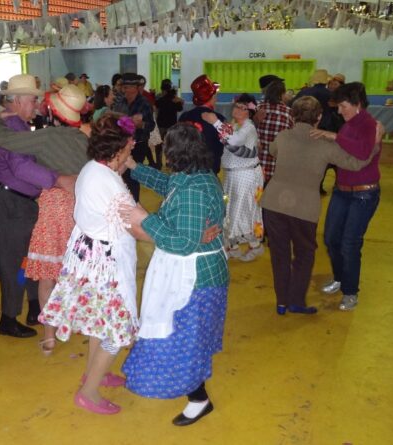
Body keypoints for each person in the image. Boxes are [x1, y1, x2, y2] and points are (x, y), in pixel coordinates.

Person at [120, 122, 228, 427]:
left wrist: (145, 219)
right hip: (201, 273)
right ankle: (197, 394)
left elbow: (183, 243)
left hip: (195, 278)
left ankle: (199, 399)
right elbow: (168, 186)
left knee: (182, 338)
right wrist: (134, 167)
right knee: (188, 338)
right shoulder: (196, 176)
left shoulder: (193, 189)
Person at [39, 113, 140, 415]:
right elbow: (138, 223)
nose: (134, 145)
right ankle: (89, 392)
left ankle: (94, 374)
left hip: (91, 257)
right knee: (116, 330)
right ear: (119, 148)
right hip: (104, 263)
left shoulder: (93, 169)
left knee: (101, 319)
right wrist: (177, 238)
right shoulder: (107, 181)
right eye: (130, 143)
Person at [263, 96, 378, 315]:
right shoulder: (326, 145)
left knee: (279, 254)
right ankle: (296, 301)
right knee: (304, 254)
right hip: (304, 208)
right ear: (319, 117)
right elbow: (355, 163)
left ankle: (281, 302)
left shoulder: (284, 136)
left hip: (274, 203)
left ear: (292, 115)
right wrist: (374, 145)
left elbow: (272, 150)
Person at [0, 74, 76, 338]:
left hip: (19, 199)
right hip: (11, 199)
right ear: (16, 101)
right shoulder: (12, 126)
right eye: (32, 99)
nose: (36, 104)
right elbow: (21, 166)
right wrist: (58, 180)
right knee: (14, 260)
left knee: (29, 255)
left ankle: (34, 306)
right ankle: (8, 318)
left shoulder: (17, 125)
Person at [24, 84, 89, 354]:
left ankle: (49, 336)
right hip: (77, 207)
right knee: (75, 273)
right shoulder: (85, 137)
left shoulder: (44, 137)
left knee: (47, 277)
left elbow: (26, 167)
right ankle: (75, 322)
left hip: (51, 207)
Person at [311, 82, 382, 312]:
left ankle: (351, 292)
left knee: (350, 243)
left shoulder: (369, 124)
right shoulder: (349, 124)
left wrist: (332, 136)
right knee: (331, 238)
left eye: (343, 106)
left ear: (357, 104)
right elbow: (341, 154)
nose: (340, 111)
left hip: (364, 194)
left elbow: (362, 151)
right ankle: (340, 278)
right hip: (342, 190)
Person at [202, 93, 264, 261]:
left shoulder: (248, 127)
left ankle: (255, 245)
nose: (238, 110)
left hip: (245, 175)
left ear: (249, 112)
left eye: (243, 108)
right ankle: (233, 246)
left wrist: (215, 122)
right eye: (237, 106)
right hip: (233, 174)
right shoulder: (235, 125)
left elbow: (234, 141)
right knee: (230, 210)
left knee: (243, 211)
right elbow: (229, 141)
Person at [112, 73, 156, 200]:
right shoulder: (120, 102)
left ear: (135, 88)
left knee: (132, 176)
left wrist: (140, 124)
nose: (124, 90)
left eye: (126, 87)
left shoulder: (144, 104)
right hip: (121, 144)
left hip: (138, 145)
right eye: (123, 87)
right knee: (120, 176)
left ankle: (134, 204)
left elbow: (151, 126)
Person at [178, 74, 226, 173]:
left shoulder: (184, 116)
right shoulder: (217, 119)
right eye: (215, 94)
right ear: (212, 97)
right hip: (209, 169)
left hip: (186, 167)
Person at [255, 76, 294, 183]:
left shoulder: (258, 108)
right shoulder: (289, 112)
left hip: (256, 166)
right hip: (277, 167)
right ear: (282, 94)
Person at [155, 79, 184, 169]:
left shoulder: (159, 99)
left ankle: (159, 163)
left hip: (161, 124)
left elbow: (156, 110)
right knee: (170, 145)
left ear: (162, 89)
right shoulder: (175, 99)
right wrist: (180, 101)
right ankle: (169, 162)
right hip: (172, 125)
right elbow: (180, 109)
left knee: (159, 145)